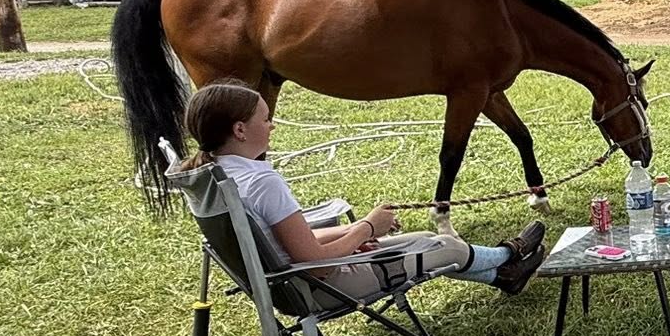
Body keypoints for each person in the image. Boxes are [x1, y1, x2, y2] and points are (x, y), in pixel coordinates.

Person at [175, 80, 545, 298]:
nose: (271, 126)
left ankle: (504, 276)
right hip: (325, 287)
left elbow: (286, 239)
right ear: (240, 131)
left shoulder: (216, 175)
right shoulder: (262, 181)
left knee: (420, 239)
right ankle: (507, 255)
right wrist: (366, 228)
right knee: (443, 246)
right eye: (265, 119)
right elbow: (315, 265)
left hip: (284, 287)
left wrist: (355, 233)